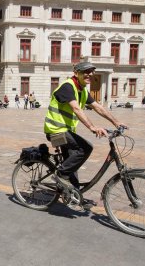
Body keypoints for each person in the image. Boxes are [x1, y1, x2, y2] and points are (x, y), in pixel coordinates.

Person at [44, 61, 126, 193]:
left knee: (73, 161)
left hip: (65, 131)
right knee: (85, 148)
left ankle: (74, 193)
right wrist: (92, 127)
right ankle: (60, 175)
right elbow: (76, 109)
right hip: (55, 131)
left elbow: (97, 107)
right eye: (86, 72)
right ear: (76, 73)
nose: (90, 74)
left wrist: (116, 122)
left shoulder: (82, 91)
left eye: (91, 71)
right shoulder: (68, 87)